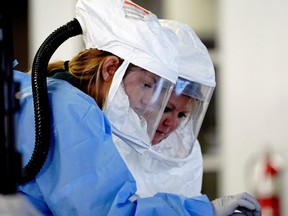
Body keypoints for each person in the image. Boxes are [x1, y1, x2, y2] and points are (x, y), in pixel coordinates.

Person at [15, 0, 216, 215]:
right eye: (147, 85)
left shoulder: (51, 92)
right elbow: (110, 211)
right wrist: (204, 210)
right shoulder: (74, 111)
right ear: (111, 69)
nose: (151, 103)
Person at [110, 19, 262, 216]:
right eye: (166, 109)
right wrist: (206, 210)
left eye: (182, 114)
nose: (172, 124)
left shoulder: (180, 154)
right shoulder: (104, 142)